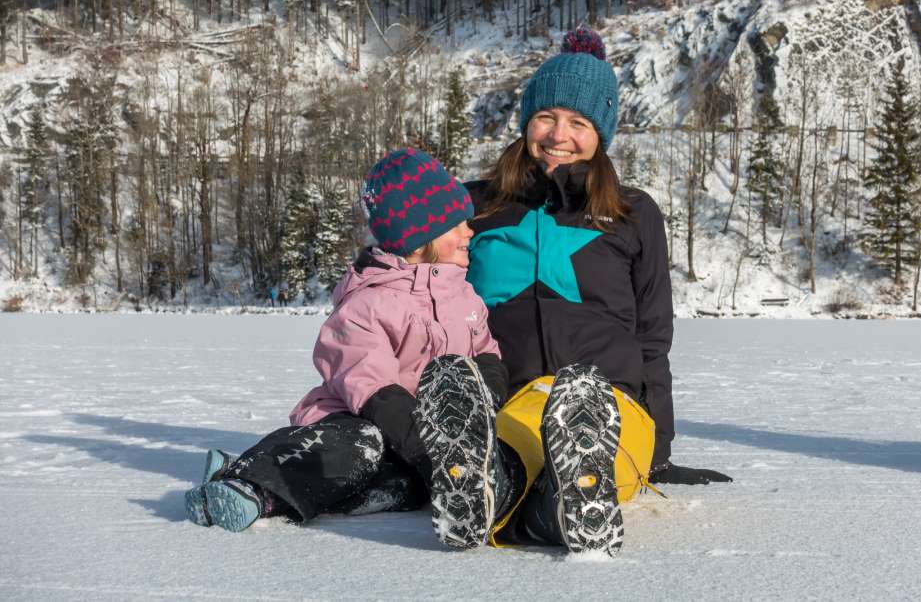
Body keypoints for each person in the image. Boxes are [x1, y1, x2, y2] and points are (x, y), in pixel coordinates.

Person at [462, 29, 732, 554]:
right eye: (547, 117)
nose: (559, 135)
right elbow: (407, 278)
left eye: (579, 123)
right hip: (509, 398)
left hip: (611, 402)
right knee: (520, 452)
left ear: (600, 134)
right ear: (525, 124)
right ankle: (535, 505)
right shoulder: (474, 206)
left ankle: (523, 505)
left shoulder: (633, 213)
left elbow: (652, 335)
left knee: (590, 444)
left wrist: (660, 449)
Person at [184, 148, 515, 547]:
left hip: (417, 444)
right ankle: (253, 485)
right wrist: (436, 450)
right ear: (419, 236)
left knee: (407, 487)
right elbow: (374, 390)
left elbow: (487, 354)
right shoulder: (367, 304)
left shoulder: (464, 297)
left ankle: (313, 488)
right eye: (457, 225)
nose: (469, 232)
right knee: (360, 447)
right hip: (358, 422)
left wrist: (482, 414)